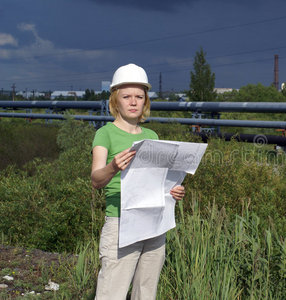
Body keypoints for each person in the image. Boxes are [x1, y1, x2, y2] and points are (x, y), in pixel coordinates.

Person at [91, 63, 185, 300]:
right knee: (111, 293)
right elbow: (95, 179)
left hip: (154, 223)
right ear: (115, 101)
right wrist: (113, 167)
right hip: (121, 224)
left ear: (145, 101)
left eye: (139, 97)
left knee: (146, 293)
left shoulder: (151, 136)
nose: (133, 102)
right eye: (126, 96)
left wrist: (173, 190)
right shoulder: (105, 133)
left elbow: (157, 180)